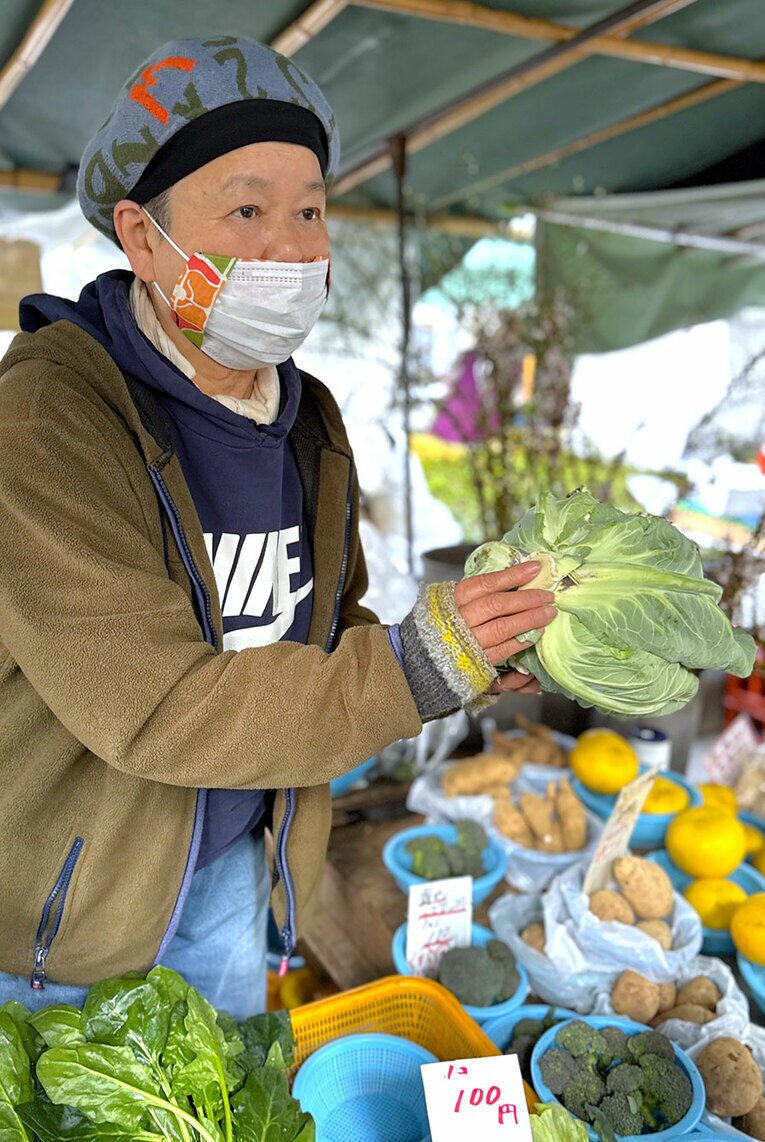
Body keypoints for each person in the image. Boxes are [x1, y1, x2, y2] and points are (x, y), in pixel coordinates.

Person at [0, 36, 555, 1019]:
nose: (293, 249)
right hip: (74, 912)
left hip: (234, 874)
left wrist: (457, 657)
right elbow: (159, 703)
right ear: (141, 235)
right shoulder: (47, 421)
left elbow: (328, 626)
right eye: (247, 209)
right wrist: (415, 664)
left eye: (308, 210)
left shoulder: (309, 419)